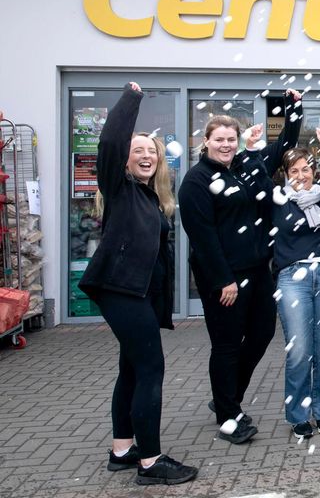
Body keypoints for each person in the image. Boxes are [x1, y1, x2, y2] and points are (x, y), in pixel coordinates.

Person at [78, 82, 197, 485]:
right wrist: (131, 99)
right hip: (122, 291)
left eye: (153, 152)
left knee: (130, 369)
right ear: (125, 163)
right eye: (138, 152)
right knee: (151, 370)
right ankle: (150, 462)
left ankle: (123, 449)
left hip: (138, 295)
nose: (146, 156)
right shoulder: (118, 189)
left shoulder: (149, 198)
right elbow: (110, 142)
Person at [178, 90, 302, 444]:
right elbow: (202, 237)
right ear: (206, 142)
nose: (226, 145)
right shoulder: (197, 181)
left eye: (231, 139)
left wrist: (294, 107)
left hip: (257, 271)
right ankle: (229, 415)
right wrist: (223, 280)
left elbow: (285, 145)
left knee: (262, 333)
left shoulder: (247, 166)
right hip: (224, 279)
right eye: (219, 140)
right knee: (227, 345)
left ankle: (225, 398)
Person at [249, 126, 320, 438]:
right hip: (293, 278)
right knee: (300, 350)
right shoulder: (277, 200)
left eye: (306, 169)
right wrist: (251, 148)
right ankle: (298, 414)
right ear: (286, 174)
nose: (301, 175)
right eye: (294, 170)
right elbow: (257, 174)